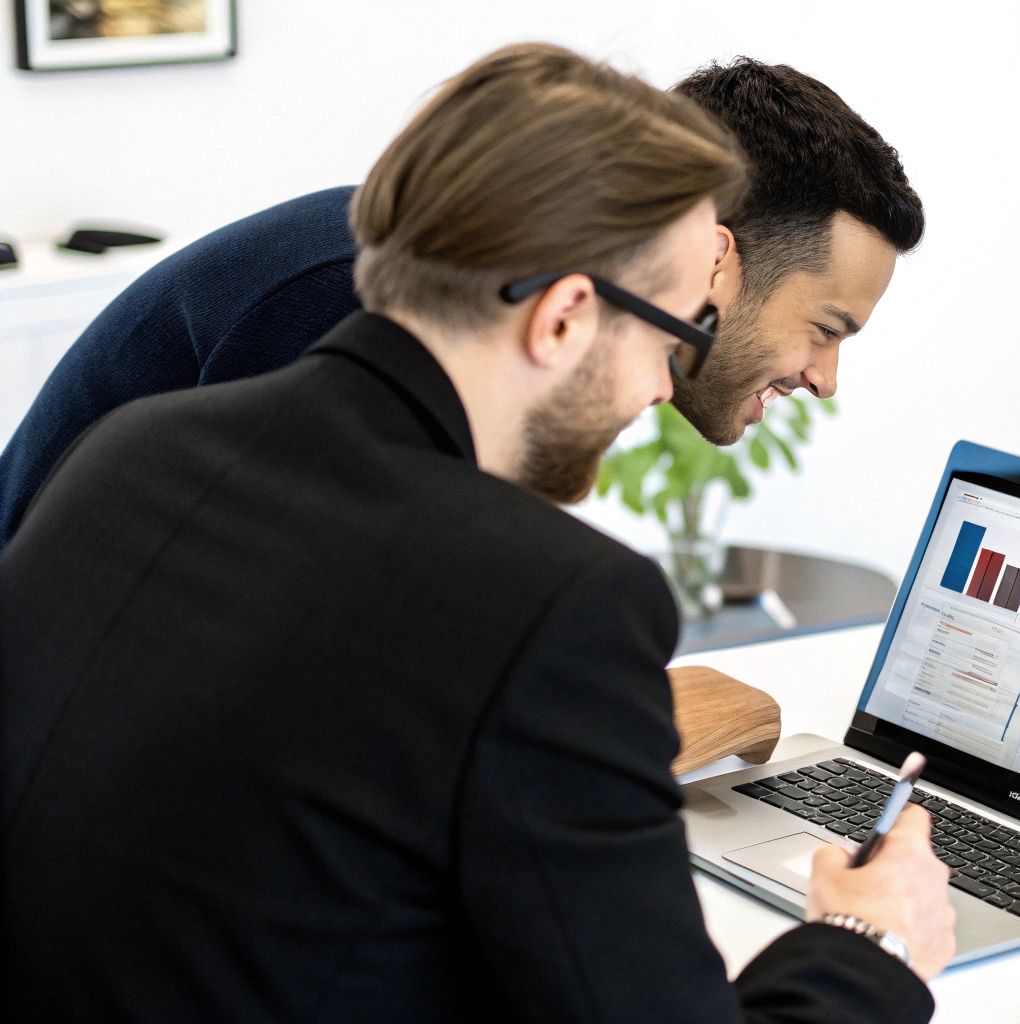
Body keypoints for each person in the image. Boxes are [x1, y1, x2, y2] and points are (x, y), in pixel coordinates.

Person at [0, 44, 954, 1021]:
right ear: (563, 316)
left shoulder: (132, 448)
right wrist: (866, 943)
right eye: (669, 330)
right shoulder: (537, 590)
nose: (661, 381)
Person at [0, 57, 923, 548]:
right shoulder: (348, 306)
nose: (826, 378)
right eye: (826, 327)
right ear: (714, 256)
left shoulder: (511, 340)